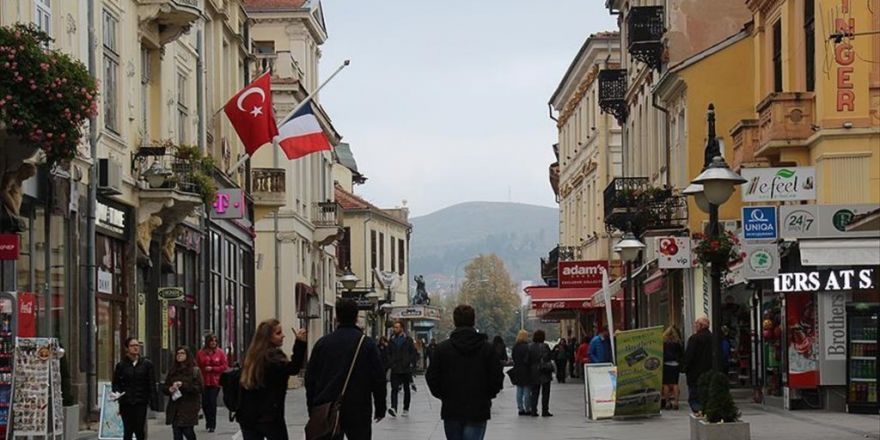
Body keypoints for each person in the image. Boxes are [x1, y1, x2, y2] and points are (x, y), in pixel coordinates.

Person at [306, 299, 386, 440]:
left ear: (336, 316)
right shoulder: (367, 344)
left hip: (327, 406)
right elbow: (378, 378)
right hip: (358, 408)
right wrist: (380, 407)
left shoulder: (322, 344)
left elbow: (310, 378)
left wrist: (313, 407)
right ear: (356, 317)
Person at [426, 305, 503, 440]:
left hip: (452, 407)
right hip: (478, 407)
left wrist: (443, 394)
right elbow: (497, 376)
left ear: (455, 321)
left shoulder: (442, 349)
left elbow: (432, 376)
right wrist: (488, 395)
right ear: (473, 321)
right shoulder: (487, 349)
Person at [236, 319, 307, 440]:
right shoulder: (272, 358)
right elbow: (293, 368)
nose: (283, 336)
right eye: (278, 333)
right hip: (269, 415)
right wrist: (300, 343)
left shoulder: (252, 356)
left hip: (248, 416)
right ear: (267, 337)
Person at [112, 337, 157, 440]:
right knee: (128, 430)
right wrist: (117, 393)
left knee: (139, 429)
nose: (136, 348)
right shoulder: (121, 365)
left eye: (137, 345)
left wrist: (153, 402)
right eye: (132, 346)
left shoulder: (146, 364)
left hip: (140, 401)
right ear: (127, 348)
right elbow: (116, 383)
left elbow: (151, 383)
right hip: (126, 401)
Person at [164, 346, 203, 440]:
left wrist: (183, 385)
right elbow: (165, 387)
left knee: (188, 431)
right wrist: (170, 389)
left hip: (189, 407)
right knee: (177, 433)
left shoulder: (194, 371)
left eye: (182, 353)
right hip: (175, 407)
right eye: (178, 353)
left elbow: (199, 388)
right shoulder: (173, 371)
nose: (179, 355)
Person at [386, 320, 418, 417]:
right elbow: (388, 353)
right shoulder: (391, 340)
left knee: (406, 389)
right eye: (394, 327)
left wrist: (410, 362)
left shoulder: (408, 340)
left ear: (401, 328)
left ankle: (405, 408)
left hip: (405, 368)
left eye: (396, 327)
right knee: (394, 389)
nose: (394, 329)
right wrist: (391, 363)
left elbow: (413, 352)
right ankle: (394, 407)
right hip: (395, 367)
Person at [196, 334, 227, 433]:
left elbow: (224, 366)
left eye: (215, 341)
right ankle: (208, 421)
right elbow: (197, 366)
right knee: (205, 403)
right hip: (204, 381)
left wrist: (213, 368)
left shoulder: (220, 353)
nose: (213, 343)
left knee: (212, 402)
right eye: (211, 341)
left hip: (215, 381)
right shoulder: (200, 353)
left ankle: (212, 424)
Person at [683, 316, 713, 414]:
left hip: (695, 373)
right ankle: (705, 409)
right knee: (706, 394)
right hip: (710, 371)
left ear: (701, 326)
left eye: (696, 324)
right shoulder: (713, 338)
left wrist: (685, 367)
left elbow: (689, 355)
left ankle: (698, 411)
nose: (695, 326)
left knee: (695, 396)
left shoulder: (694, 338)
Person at [528, 330, 553, 417]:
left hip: (534, 372)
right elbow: (549, 357)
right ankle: (545, 410)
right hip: (545, 371)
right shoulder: (545, 346)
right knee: (546, 392)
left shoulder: (530, 347)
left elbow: (527, 360)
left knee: (534, 392)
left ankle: (533, 410)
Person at [510, 330, 533, 416]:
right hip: (526, 370)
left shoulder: (515, 347)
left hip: (517, 369)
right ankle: (527, 408)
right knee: (527, 390)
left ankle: (520, 408)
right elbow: (528, 359)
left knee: (519, 390)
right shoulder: (527, 347)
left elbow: (513, 357)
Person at [662, 326, 684, 410]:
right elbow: (681, 354)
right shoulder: (678, 343)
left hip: (666, 364)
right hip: (675, 365)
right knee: (675, 383)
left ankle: (667, 402)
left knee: (666, 384)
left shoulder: (663, 342)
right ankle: (676, 402)